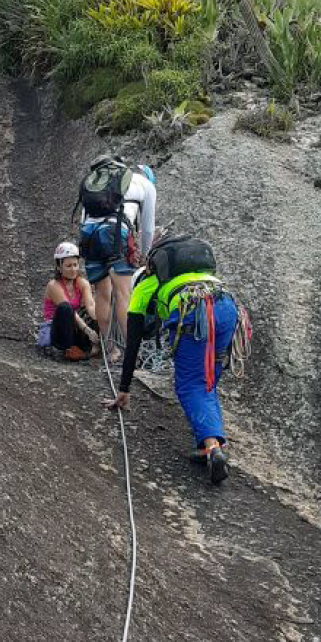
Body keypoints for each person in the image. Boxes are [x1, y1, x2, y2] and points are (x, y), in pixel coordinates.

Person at [104, 236, 250, 486]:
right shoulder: (194, 274)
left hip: (193, 310)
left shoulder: (143, 288)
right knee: (207, 381)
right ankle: (208, 444)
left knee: (190, 384)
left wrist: (124, 390)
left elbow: (134, 343)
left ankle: (213, 448)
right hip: (227, 306)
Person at [77, 159, 157, 353]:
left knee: (102, 294)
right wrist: (145, 256)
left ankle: (110, 349)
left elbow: (83, 218)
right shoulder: (146, 185)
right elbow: (147, 229)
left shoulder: (97, 183)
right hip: (116, 232)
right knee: (123, 294)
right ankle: (132, 353)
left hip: (89, 233)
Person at [36, 241, 100, 361]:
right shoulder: (53, 285)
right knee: (65, 308)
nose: (73, 269)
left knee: (99, 307)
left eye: (75, 265)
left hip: (75, 328)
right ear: (59, 267)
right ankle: (64, 349)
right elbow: (70, 312)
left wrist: (100, 322)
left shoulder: (82, 283)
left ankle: (92, 347)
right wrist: (88, 331)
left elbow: (91, 306)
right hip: (58, 331)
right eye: (68, 266)